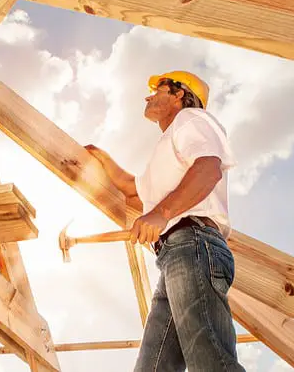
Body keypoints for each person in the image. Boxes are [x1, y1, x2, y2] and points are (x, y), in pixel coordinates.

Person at [85, 71, 244, 371]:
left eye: (157, 89)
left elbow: (209, 168)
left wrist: (161, 213)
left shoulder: (192, 120)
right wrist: (101, 157)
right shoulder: (168, 148)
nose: (148, 96)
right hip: (176, 255)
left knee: (211, 362)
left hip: (194, 245)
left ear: (179, 94)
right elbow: (133, 190)